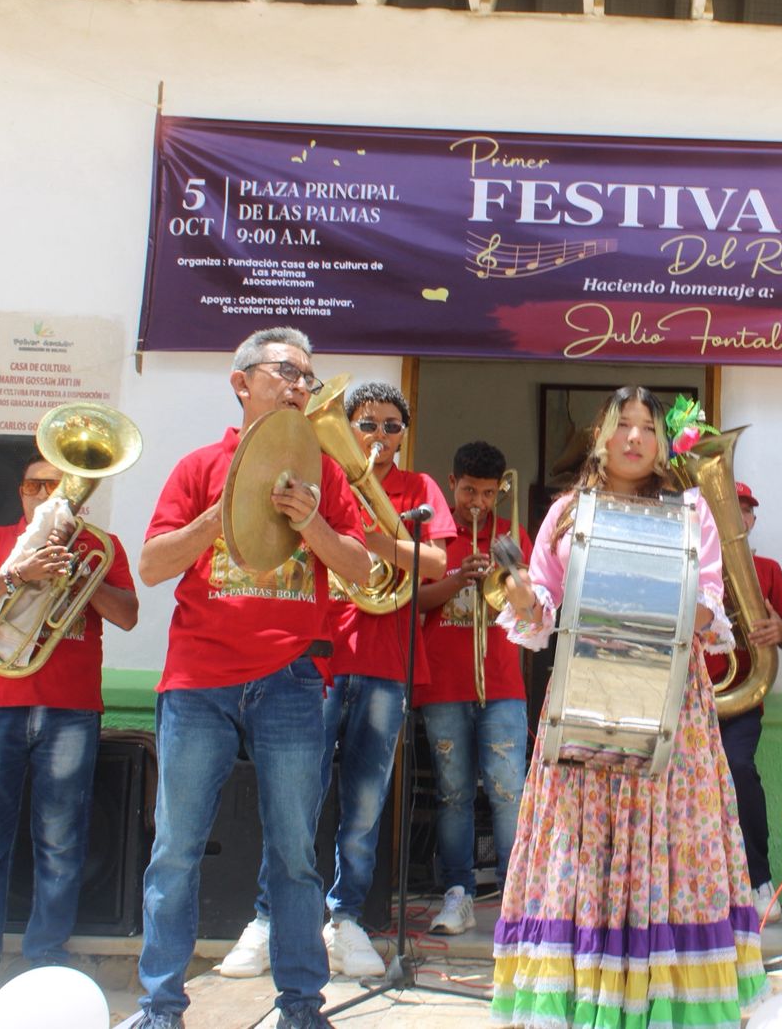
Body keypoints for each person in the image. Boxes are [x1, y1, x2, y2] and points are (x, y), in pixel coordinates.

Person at [490, 386, 767, 1027]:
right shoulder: (565, 513)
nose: (636, 437)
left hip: (672, 700)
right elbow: (542, 614)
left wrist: (670, 597)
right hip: (587, 694)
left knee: (668, 836)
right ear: (601, 437)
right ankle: (587, 992)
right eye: (623, 426)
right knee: (584, 842)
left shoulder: (689, 512)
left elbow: (706, 607)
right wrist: (523, 596)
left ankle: (663, 998)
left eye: (648, 427)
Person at [134, 327, 371, 1029]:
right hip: (198, 680)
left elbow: (361, 570)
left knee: (295, 854)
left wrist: (315, 524)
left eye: (308, 376)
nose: (301, 386)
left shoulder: (326, 472)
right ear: (243, 383)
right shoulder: (198, 465)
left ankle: (302, 1006)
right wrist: (221, 512)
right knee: (174, 851)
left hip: (292, 681)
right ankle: (159, 1008)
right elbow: (150, 566)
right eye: (285, 372)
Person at [219, 381, 455, 981]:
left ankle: (346, 917)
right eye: (367, 423)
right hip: (319, 659)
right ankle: (271, 918)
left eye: (392, 425)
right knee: (295, 800)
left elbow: (434, 564)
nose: (379, 435)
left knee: (366, 804)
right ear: (346, 428)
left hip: (384, 663)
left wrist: (366, 536)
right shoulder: (312, 477)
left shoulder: (419, 489)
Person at [0, 451, 138, 994]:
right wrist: (18, 574)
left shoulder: (101, 547)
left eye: (56, 486)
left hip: (71, 708)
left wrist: (80, 584)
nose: (44, 496)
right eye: (34, 486)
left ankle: (45, 955)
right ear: (21, 492)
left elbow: (130, 615)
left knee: (61, 840)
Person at [414, 440, 530, 937]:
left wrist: (508, 574)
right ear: (451, 483)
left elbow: (528, 608)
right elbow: (415, 602)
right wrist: (459, 576)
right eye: (468, 491)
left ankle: (515, 900)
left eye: (487, 492)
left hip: (502, 684)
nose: (478, 503)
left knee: (509, 793)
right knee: (453, 795)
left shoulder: (510, 534)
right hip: (443, 684)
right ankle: (457, 894)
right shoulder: (436, 533)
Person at [703, 480, 782, 927]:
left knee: (741, 773)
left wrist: (780, 632)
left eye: (744, 510)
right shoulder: (695, 567)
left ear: (752, 520)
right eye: (729, 509)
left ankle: (759, 881)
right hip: (693, 698)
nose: (737, 517)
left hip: (742, 697)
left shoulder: (770, 569)